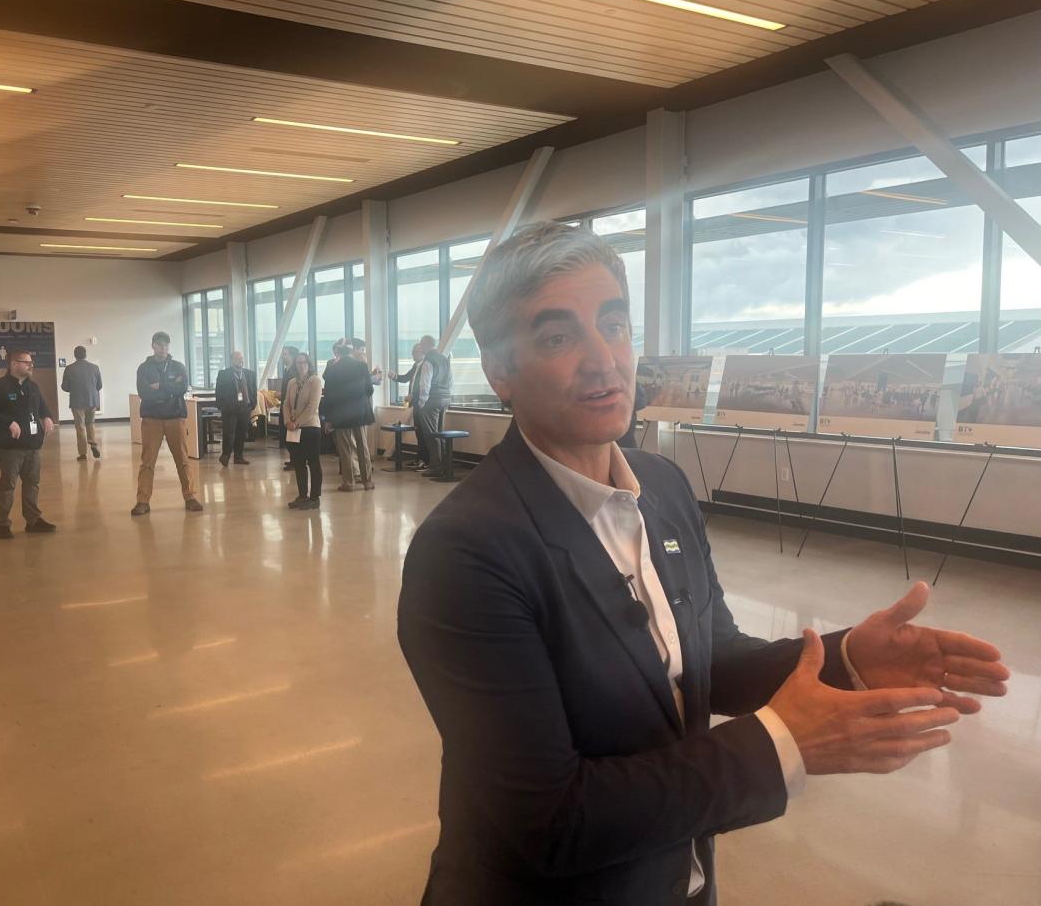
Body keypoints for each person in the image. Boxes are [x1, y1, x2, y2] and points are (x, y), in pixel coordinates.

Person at [397, 222, 1010, 906]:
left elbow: (708, 656)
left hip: (676, 880)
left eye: (615, 324)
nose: (604, 359)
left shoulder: (660, 487)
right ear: (500, 371)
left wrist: (846, 660)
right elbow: (547, 823)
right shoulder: (467, 555)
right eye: (557, 337)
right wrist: (782, 742)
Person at [0, 349, 57, 539]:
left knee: (32, 483)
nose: (31, 365)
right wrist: (7, 422)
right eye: (26, 362)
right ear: (13, 364)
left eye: (31, 362)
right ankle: (3, 523)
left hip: (33, 445)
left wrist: (47, 417)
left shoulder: (33, 387)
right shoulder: (0, 387)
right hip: (11, 447)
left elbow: (42, 406)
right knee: (8, 485)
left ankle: (33, 520)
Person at [132, 332, 202, 516]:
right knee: (147, 462)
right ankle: (142, 501)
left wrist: (159, 386)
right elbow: (144, 393)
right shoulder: (144, 368)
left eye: (167, 346)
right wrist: (169, 387)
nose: (164, 349)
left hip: (175, 418)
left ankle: (190, 497)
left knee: (182, 459)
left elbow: (182, 388)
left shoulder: (178, 367)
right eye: (160, 345)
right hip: (151, 420)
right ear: (153, 345)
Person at [322, 342, 375, 491]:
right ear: (351, 353)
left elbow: (328, 395)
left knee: (345, 449)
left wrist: (328, 418)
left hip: (341, 413)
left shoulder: (332, 369)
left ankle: (349, 482)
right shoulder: (361, 366)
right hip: (359, 411)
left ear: (338, 354)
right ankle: (367, 481)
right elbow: (369, 389)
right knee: (362, 446)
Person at [282, 351, 323, 511]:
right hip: (293, 428)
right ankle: (302, 496)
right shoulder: (292, 382)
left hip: (310, 427)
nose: (301, 365)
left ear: (309, 364)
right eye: (298, 362)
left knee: (313, 462)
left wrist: (297, 422)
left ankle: (315, 498)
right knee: (298, 462)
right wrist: (287, 421)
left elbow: (312, 406)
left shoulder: (315, 381)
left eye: (304, 362)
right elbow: (286, 404)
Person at [390, 343, 430, 469]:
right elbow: (407, 378)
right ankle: (419, 458)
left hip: (422, 403)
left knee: (423, 433)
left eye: (416, 351)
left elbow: (425, 386)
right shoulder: (416, 366)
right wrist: (395, 377)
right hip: (416, 403)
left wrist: (413, 395)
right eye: (413, 351)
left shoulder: (426, 365)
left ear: (423, 352)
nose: (413, 354)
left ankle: (426, 460)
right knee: (418, 432)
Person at [417, 338, 453, 478]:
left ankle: (435, 466)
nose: (420, 347)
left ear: (426, 345)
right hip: (445, 398)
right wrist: (448, 395)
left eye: (421, 344)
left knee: (431, 434)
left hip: (431, 400)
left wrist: (422, 402)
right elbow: (450, 380)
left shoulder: (428, 361)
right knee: (440, 432)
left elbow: (424, 384)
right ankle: (444, 464)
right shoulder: (444, 359)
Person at [61, 345, 103, 461]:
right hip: (92, 400)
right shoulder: (95, 367)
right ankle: (93, 444)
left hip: (77, 401)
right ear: (85, 354)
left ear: (75, 355)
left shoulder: (69, 368)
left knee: (80, 427)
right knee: (90, 423)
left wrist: (73, 388)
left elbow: (65, 387)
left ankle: (83, 453)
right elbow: (99, 385)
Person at [215, 350, 256, 467]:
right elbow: (218, 391)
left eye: (242, 359)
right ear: (232, 360)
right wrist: (221, 406)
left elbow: (253, 389)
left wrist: (253, 404)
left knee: (241, 433)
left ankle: (238, 456)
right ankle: (225, 455)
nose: (241, 361)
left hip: (245, 408)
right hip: (230, 409)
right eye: (238, 359)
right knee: (229, 433)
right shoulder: (224, 374)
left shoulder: (250, 374)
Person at [278, 345, 300, 471]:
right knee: (288, 435)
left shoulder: (292, 372)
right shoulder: (288, 370)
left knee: (291, 436)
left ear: (292, 356)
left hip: (291, 408)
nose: (282, 356)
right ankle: (293, 459)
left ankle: (296, 460)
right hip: (285, 405)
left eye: (285, 354)